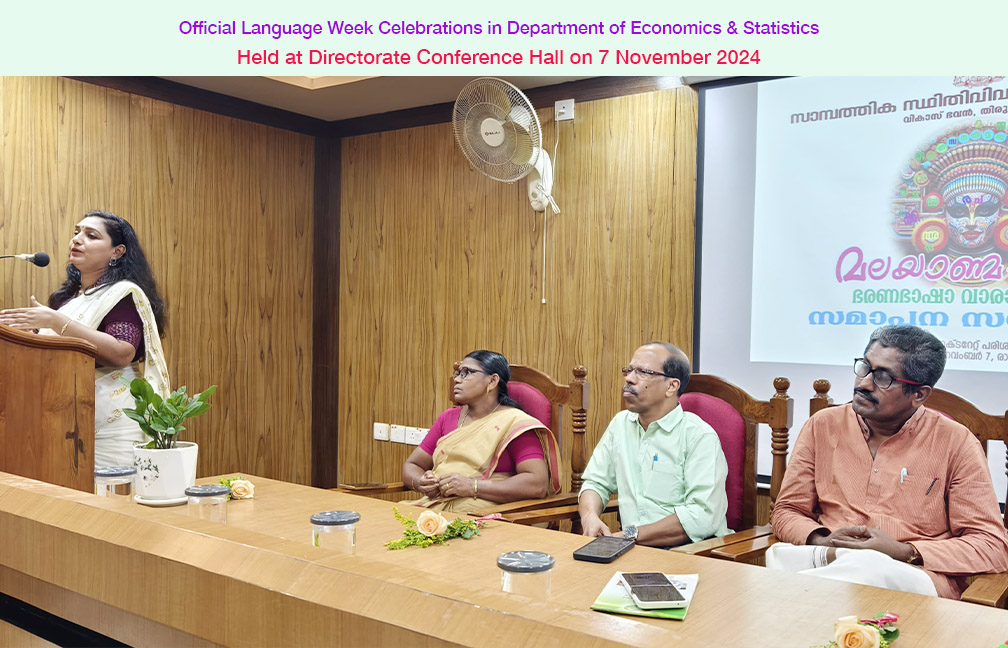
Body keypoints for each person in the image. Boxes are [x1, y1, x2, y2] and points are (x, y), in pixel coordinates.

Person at [768, 325, 1008, 599]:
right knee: (779, 557)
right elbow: (786, 511)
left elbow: (991, 546)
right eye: (864, 368)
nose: (864, 384)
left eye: (883, 377)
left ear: (919, 394)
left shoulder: (957, 443)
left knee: (864, 569)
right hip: (828, 557)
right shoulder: (822, 426)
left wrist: (904, 552)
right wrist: (823, 540)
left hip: (908, 576)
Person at [0, 210, 170, 467]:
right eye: (76, 232)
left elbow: (122, 351)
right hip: (64, 416)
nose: (77, 240)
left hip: (110, 422)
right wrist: (37, 338)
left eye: (91, 236)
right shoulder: (66, 300)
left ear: (117, 252)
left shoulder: (122, 295)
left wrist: (55, 322)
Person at [578, 342, 729, 548]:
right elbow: (596, 483)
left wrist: (629, 534)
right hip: (630, 547)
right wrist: (589, 518)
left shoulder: (699, 436)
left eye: (643, 372)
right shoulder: (621, 424)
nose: (629, 378)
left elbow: (701, 516)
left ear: (671, 386)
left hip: (690, 553)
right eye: (629, 370)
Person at [401, 350, 561, 513]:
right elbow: (412, 465)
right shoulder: (448, 417)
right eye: (457, 373)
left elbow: (537, 484)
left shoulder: (514, 423)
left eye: (467, 373)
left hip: (486, 515)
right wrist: (421, 481)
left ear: (492, 381)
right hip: (435, 507)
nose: (456, 379)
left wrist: (473, 487)